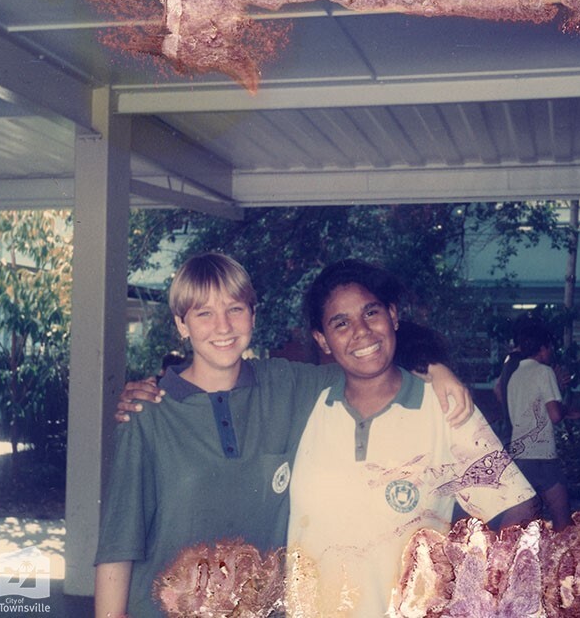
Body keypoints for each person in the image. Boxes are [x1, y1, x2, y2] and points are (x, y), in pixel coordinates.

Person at [95, 253, 472, 618]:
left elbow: (366, 356)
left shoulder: (287, 384)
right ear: (182, 324)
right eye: (204, 313)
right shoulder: (148, 413)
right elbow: (118, 542)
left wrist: (435, 369)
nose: (223, 327)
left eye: (235, 309)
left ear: (253, 315)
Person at [286, 259, 537, 616]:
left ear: (393, 316)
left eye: (371, 313)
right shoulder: (305, 406)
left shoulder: (444, 408)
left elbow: (518, 506)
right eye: (341, 323)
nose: (361, 331)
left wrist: (478, 591)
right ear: (322, 340)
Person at [505, 321, 578, 531]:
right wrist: (567, 410)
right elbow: (555, 415)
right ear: (544, 348)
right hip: (542, 455)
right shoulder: (544, 372)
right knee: (563, 521)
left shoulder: (514, 376)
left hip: (520, 456)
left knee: (527, 523)